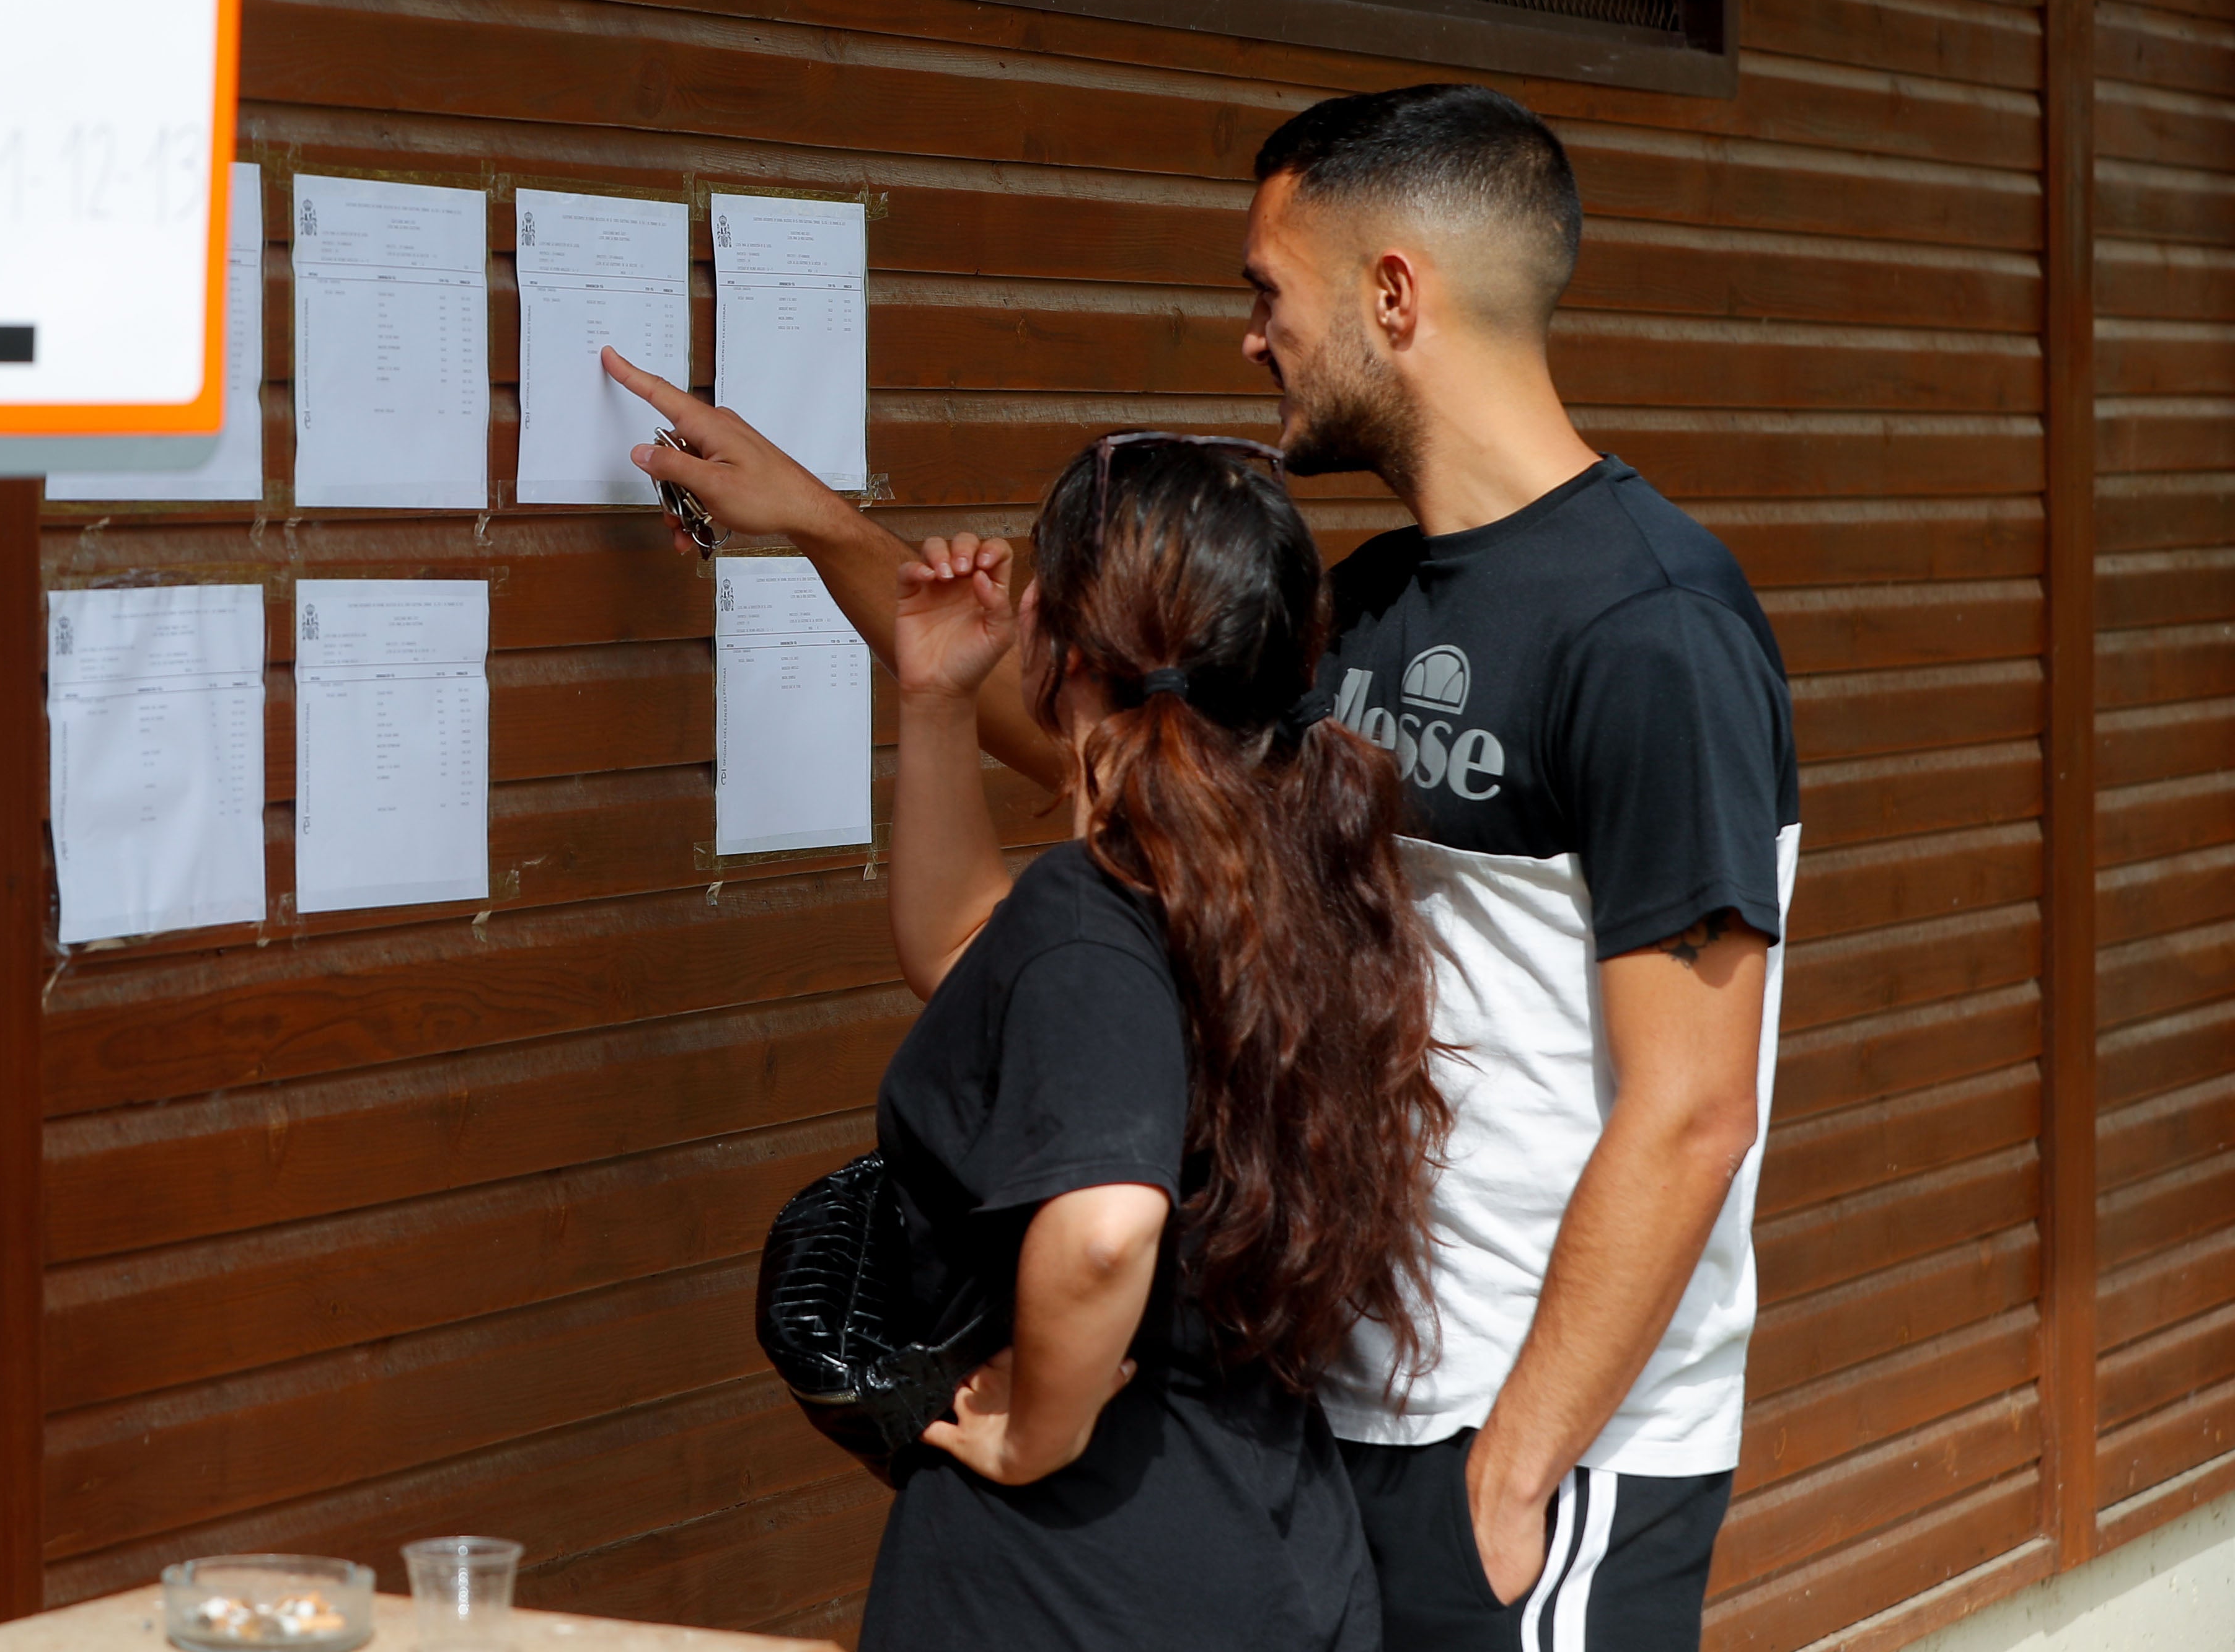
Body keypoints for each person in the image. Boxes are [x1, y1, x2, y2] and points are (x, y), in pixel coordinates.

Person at [604, 82, 1799, 1649]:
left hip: (1539, 1457)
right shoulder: (1367, 606)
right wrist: (818, 521)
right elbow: (1119, 741)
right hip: (1344, 1415)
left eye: (1268, 287)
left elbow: (1697, 1106)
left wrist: (1511, 1479)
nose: (1252, 334)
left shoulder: (1656, 633)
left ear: (1393, 294)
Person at [861, 433, 1445, 1650]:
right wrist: (931, 698)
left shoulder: (1093, 910)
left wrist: (1036, 1425)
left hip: (1076, 1584)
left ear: (1057, 639)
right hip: (1269, 1548)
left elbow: (1104, 1227)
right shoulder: (1301, 873)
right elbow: (972, 959)